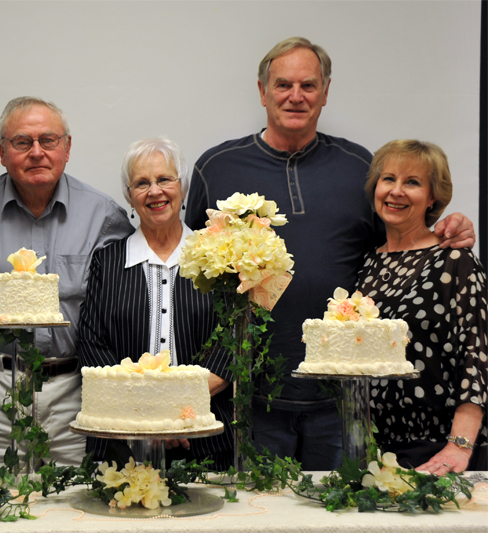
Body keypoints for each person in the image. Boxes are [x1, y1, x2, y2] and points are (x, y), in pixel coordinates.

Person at [185, 37, 476, 470]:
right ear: (263, 92)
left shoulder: (362, 168)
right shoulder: (216, 167)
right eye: (283, 84)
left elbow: (400, 241)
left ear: (326, 92)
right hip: (251, 393)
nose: (296, 96)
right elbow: (194, 273)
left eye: (309, 85)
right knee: (260, 513)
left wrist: (447, 228)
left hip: (346, 397)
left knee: (342, 510)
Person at [0, 96, 133, 473]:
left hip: (72, 390)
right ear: (1, 151)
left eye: (48, 140)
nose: (36, 152)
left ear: (67, 147)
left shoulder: (104, 215)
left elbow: (123, 314)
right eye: (21, 142)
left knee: (71, 506)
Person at [77, 137, 234, 469]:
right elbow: (92, 345)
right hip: (122, 442)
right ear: (130, 197)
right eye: (142, 183)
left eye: (164, 179)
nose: (155, 191)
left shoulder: (219, 257)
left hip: (206, 437)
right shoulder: (107, 261)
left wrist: (177, 410)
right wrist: (146, 414)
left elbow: (234, 344)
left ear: (182, 187)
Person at [357, 140, 487, 473]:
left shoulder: (456, 259)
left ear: (433, 198)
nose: (396, 191)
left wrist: (459, 446)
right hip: (375, 450)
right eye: (388, 179)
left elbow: (478, 355)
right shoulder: (368, 263)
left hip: (441, 449)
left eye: (412, 182)